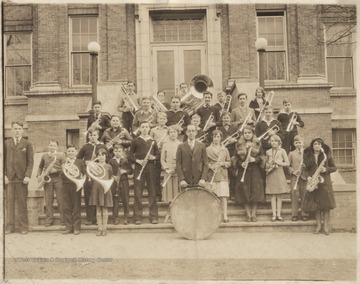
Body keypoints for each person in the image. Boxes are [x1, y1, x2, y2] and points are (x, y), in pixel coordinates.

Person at [4, 121, 34, 235]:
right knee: (9, 203)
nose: (17, 131)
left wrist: (27, 175)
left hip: (22, 179)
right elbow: (2, 161)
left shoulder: (27, 144)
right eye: (15, 128)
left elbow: (30, 162)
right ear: (11, 130)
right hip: (10, 179)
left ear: (22, 130)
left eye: (19, 129)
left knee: (22, 203)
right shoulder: (6, 143)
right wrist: (4, 175)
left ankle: (23, 227)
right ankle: (10, 227)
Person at [128, 121, 160, 225]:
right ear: (140, 129)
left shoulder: (153, 141)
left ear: (149, 129)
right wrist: (138, 161)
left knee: (152, 193)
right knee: (138, 193)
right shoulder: (135, 141)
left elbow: (158, 156)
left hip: (151, 168)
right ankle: (137, 217)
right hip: (139, 167)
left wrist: (153, 157)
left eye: (147, 127)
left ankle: (154, 216)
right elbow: (130, 156)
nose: (145, 128)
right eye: (143, 127)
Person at [303, 138, 336, 235]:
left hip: (324, 183)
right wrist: (308, 177)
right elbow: (305, 169)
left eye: (319, 144)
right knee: (316, 207)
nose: (317, 146)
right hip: (314, 183)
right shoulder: (308, 156)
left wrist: (326, 169)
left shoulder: (326, 156)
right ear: (312, 146)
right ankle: (318, 226)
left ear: (322, 146)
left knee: (326, 206)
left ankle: (326, 227)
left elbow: (334, 168)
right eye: (315, 144)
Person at [232, 126, 266, 222]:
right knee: (244, 192)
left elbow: (263, 157)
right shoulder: (238, 144)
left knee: (255, 191)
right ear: (243, 134)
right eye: (245, 133)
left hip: (255, 170)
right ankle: (248, 214)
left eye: (249, 132)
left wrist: (255, 159)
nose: (247, 134)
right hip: (243, 170)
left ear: (252, 133)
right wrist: (240, 163)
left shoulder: (258, 143)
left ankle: (254, 214)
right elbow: (234, 158)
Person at [77, 130, 108, 225]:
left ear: (98, 136)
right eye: (91, 135)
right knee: (88, 196)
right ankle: (90, 218)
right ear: (88, 136)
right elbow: (78, 159)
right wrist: (85, 162)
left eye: (95, 135)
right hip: (88, 174)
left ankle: (99, 218)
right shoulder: (85, 147)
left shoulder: (102, 146)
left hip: (99, 174)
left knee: (98, 195)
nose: (93, 137)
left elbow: (109, 158)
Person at [37, 140, 66, 227]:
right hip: (48, 179)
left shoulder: (61, 155)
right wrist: (38, 175)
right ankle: (49, 220)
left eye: (54, 145)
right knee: (49, 201)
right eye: (50, 145)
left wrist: (57, 170)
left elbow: (65, 169)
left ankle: (63, 220)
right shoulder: (44, 156)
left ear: (57, 147)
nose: (52, 147)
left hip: (58, 178)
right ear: (48, 146)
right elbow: (40, 167)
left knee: (61, 200)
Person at [61, 145, 86, 235]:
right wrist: (63, 169)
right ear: (66, 153)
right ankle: (68, 227)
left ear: (76, 152)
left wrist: (81, 179)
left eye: (72, 151)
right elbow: (61, 176)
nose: (71, 153)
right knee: (67, 207)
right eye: (69, 151)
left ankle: (76, 228)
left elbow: (84, 173)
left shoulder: (80, 162)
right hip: (65, 185)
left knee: (76, 207)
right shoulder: (64, 162)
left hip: (76, 186)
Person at [206, 130, 231, 223]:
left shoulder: (225, 149)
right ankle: (214, 214)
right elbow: (205, 162)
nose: (216, 138)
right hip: (211, 175)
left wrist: (223, 163)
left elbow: (229, 162)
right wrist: (211, 166)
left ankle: (224, 215)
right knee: (212, 196)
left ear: (221, 138)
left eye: (218, 137)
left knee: (223, 196)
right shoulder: (207, 149)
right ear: (212, 138)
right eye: (214, 136)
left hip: (222, 174)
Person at [89, 148, 113, 236]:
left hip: (105, 188)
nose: (101, 157)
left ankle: (104, 228)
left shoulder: (109, 166)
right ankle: (99, 228)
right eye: (99, 155)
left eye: (103, 155)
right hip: (96, 188)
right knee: (98, 209)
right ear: (97, 156)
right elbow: (91, 178)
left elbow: (110, 177)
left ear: (106, 156)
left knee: (105, 209)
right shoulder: (94, 166)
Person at [265, 134, 289, 222]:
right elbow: (266, 164)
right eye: (272, 141)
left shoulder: (282, 151)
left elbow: (287, 163)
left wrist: (279, 163)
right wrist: (268, 165)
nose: (273, 143)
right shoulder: (268, 152)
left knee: (279, 195)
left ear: (279, 142)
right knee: (272, 195)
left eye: (275, 141)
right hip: (271, 174)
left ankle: (279, 214)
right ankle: (274, 215)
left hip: (279, 173)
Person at [176, 124, 208, 188]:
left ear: (196, 132)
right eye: (189, 131)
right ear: (186, 133)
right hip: (185, 180)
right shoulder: (181, 146)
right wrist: (182, 179)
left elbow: (205, 163)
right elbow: (178, 163)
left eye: (193, 131)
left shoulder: (202, 146)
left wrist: (203, 178)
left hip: (199, 180)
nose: (191, 133)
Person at [108, 144, 133, 225]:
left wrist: (125, 171)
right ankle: (115, 218)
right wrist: (112, 176)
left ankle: (126, 218)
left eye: (119, 151)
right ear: (113, 152)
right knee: (115, 200)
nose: (118, 153)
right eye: (116, 151)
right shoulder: (111, 161)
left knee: (125, 199)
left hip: (124, 181)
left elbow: (131, 170)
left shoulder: (125, 160)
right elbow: (108, 172)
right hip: (114, 182)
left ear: (122, 151)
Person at [288, 135, 308, 221]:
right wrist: (293, 171)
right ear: (294, 144)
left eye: (300, 142)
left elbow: (310, 165)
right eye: (296, 143)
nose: (298, 144)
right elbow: (288, 165)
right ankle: (294, 214)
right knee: (294, 195)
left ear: (303, 143)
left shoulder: (307, 153)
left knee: (304, 195)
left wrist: (305, 167)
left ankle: (304, 213)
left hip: (304, 177)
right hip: (295, 177)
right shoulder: (291, 153)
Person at [150, 111, 169, 201]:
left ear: (166, 120)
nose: (162, 120)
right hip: (157, 154)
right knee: (156, 176)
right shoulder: (153, 130)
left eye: (164, 118)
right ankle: (158, 195)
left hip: (167, 154)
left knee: (167, 174)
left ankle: (168, 195)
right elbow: (150, 142)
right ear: (157, 120)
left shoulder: (169, 130)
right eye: (160, 118)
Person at [161, 126, 182, 203]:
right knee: (169, 195)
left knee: (178, 195)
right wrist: (167, 169)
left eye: (174, 132)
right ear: (168, 134)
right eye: (171, 132)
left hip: (178, 171)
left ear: (178, 133)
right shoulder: (165, 145)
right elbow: (162, 159)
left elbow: (182, 159)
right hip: (168, 171)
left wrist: (177, 167)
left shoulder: (181, 144)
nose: (173, 134)